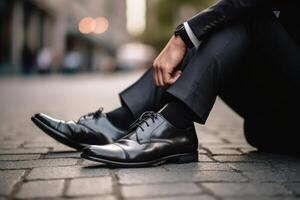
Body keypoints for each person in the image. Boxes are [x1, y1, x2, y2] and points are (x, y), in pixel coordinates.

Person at [32, 0, 300, 167]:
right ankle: (123, 123)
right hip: (279, 115)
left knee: (247, 14)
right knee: (227, 18)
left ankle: (172, 124)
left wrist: (184, 34)